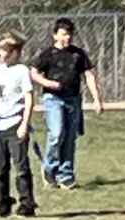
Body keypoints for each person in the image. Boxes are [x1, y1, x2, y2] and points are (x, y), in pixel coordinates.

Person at [29, 17, 104, 189]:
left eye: (70, 34)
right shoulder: (48, 54)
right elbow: (34, 72)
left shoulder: (78, 54)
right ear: (55, 35)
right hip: (53, 99)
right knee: (57, 133)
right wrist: (48, 83)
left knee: (70, 137)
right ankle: (49, 168)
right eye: (63, 34)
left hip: (73, 99)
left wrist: (97, 99)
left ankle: (66, 175)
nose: (67, 37)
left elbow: (89, 75)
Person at [0, 32, 37, 217]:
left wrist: (24, 124)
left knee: (21, 167)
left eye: (3, 50)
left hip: (15, 124)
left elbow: (29, 100)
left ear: (14, 52)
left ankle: (27, 203)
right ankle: (3, 203)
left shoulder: (22, 71)